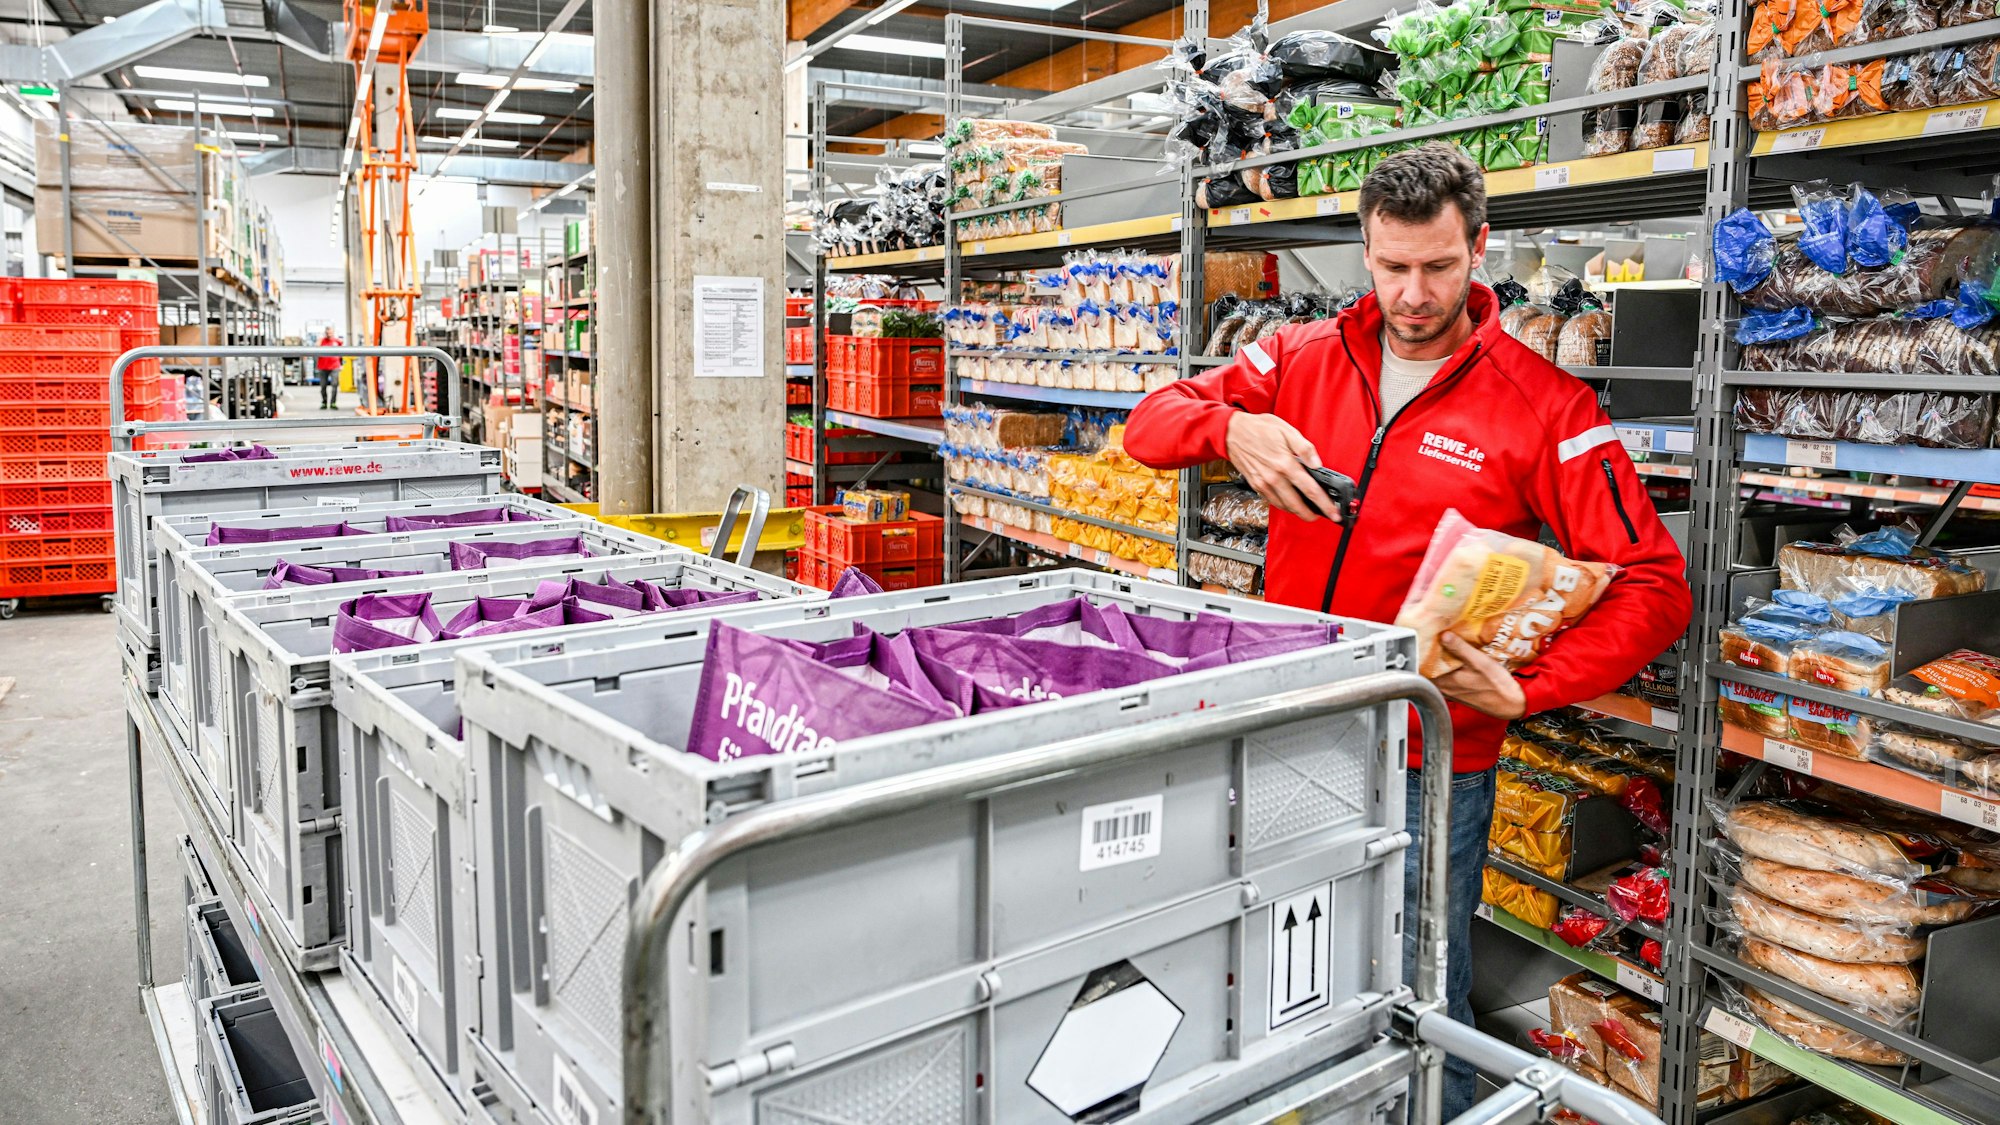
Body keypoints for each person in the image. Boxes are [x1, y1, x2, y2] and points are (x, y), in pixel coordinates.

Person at [1124, 143, 1690, 1119]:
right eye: (1391, 267)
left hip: (1433, 760)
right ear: (1364, 249)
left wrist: (1533, 688)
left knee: (1421, 986)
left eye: (1437, 266)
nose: (1413, 293)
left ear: (1478, 247)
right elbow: (1147, 425)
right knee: (1281, 968)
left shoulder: (1545, 407)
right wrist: (1227, 428)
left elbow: (1653, 582)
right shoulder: (1297, 359)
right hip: (1290, 731)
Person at [316, 330, 341, 409]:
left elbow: (343, 350)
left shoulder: (336, 341)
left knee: (335, 385)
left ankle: (333, 403)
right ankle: (324, 402)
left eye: (331, 333)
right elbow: (316, 347)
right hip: (323, 367)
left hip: (334, 366)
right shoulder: (322, 341)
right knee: (323, 385)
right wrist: (320, 340)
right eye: (327, 333)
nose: (329, 335)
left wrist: (341, 364)